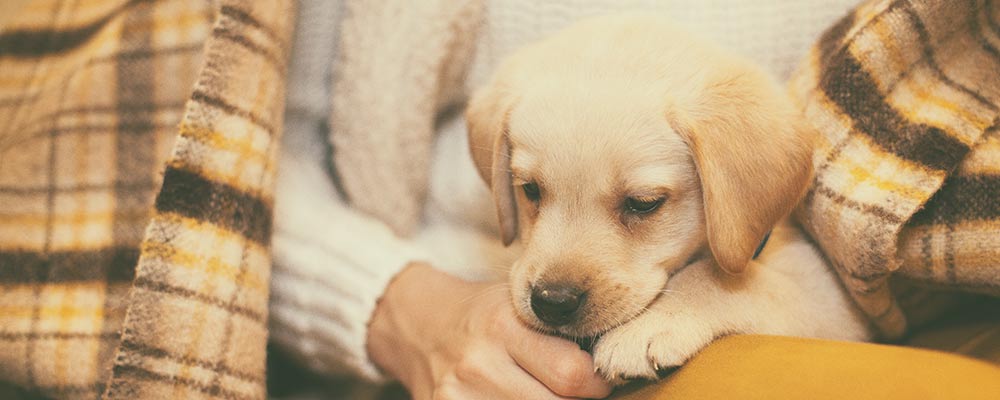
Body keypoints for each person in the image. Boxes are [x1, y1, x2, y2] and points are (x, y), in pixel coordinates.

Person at [269, 1, 859, 399]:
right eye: (532, 191)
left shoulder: (747, 138)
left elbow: (847, 301)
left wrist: (714, 294)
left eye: (640, 204)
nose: (554, 286)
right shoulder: (503, 125)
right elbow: (260, 168)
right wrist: (410, 311)